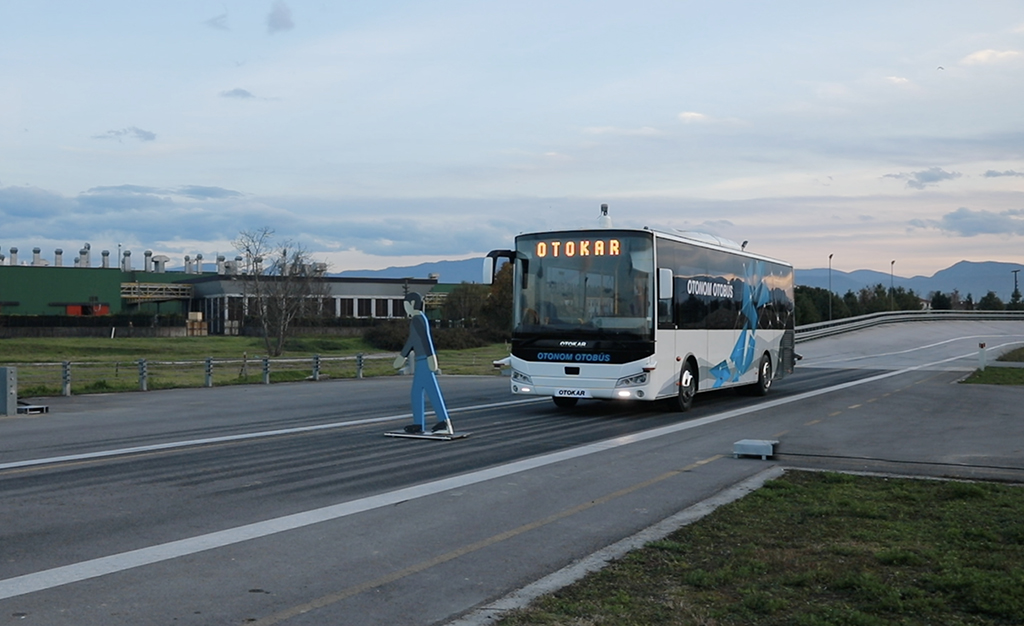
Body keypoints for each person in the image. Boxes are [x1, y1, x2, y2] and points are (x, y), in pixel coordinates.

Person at [393, 292, 452, 434]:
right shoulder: (418, 319)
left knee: (430, 391)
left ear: (412, 304)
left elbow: (425, 339)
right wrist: (402, 356)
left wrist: (431, 357)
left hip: (424, 360)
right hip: (422, 360)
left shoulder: (418, 319)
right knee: (418, 392)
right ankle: (419, 423)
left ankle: (443, 423)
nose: (405, 308)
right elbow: (412, 340)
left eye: (406, 305)